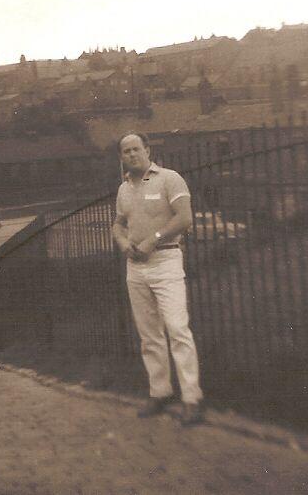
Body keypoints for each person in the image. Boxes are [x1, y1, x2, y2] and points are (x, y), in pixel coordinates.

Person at [112, 132, 204, 426]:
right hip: (135, 268)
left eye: (136, 149)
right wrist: (124, 244)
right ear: (121, 157)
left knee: (177, 329)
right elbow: (117, 224)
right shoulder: (123, 189)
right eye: (125, 151)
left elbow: (184, 217)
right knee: (149, 334)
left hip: (165, 259)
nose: (131, 155)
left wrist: (153, 240)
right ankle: (160, 391)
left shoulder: (170, 178)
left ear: (147, 150)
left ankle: (192, 398)